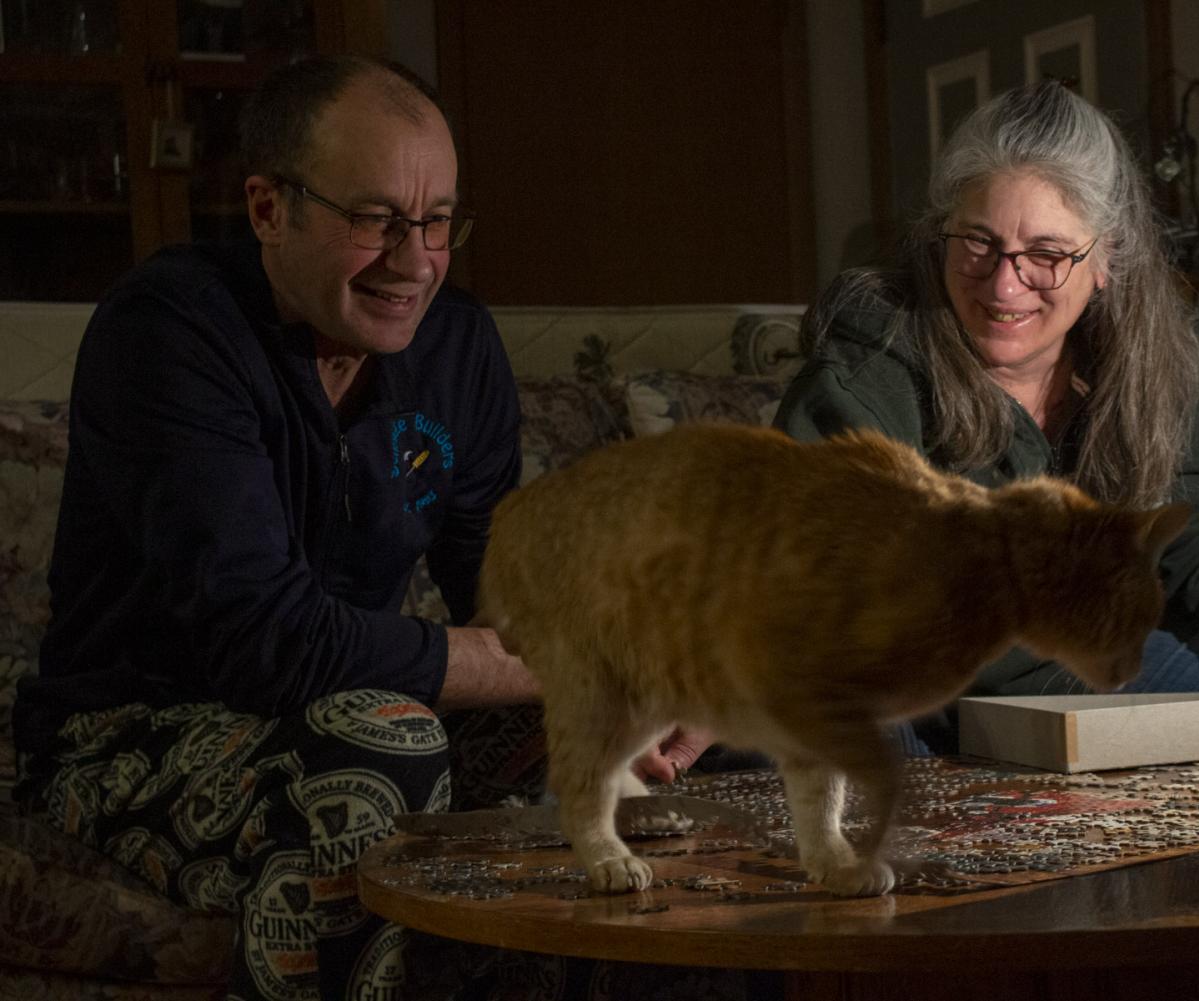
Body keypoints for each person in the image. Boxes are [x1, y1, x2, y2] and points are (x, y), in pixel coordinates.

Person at [10, 54, 707, 1000]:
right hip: (130, 727)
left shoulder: (455, 345)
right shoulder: (169, 333)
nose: (413, 260)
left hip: (352, 711)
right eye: (376, 218)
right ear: (268, 209)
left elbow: (502, 582)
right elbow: (266, 640)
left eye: (434, 221)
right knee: (385, 744)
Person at [773, 80, 1199, 754]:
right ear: (939, 235)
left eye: (1047, 254)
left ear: (1107, 257)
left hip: (1080, 677)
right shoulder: (866, 378)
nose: (1003, 285)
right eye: (977, 241)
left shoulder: (1171, 355)